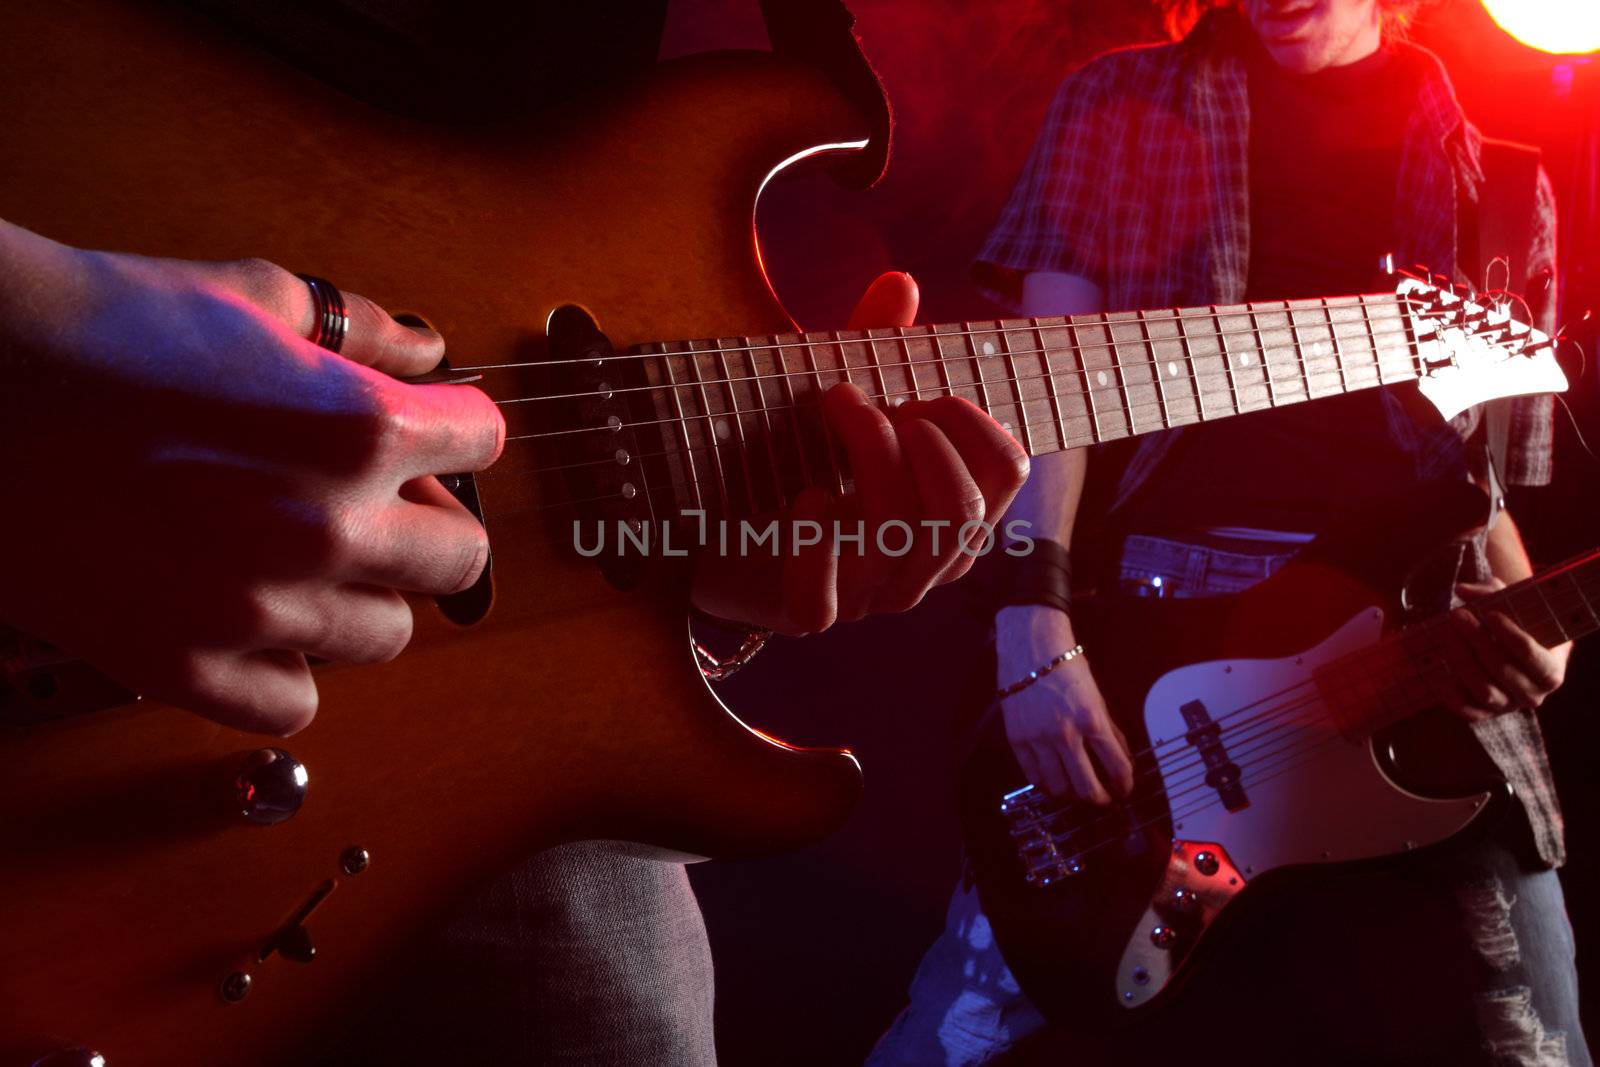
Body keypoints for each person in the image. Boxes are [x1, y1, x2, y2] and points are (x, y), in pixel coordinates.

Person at [868, 1, 1586, 1064]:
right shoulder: (1116, 104)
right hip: (1164, 652)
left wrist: (1547, 643)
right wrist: (1031, 624)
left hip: (1407, 678)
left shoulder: (1504, 184)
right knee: (955, 1034)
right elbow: (1046, 390)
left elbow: (1487, 505)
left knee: (1530, 1041)